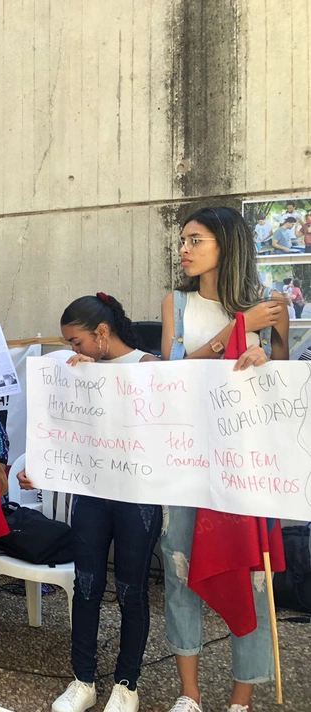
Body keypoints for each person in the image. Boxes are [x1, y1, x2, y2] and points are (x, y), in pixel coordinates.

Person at [160, 207, 289, 712]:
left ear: (226, 244)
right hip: (186, 460)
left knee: (254, 574)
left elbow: (283, 385)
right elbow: (170, 377)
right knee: (179, 569)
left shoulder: (270, 307)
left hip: (246, 465)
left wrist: (263, 353)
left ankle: (243, 698)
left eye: (195, 239)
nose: (184, 249)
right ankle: (188, 694)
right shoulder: (177, 303)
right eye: (183, 240)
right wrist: (235, 332)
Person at [16, 293, 161, 712]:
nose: (73, 351)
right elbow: (60, 432)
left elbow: (164, 437)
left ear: (102, 333)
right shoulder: (76, 373)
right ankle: (83, 679)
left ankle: (126, 684)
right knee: (87, 586)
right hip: (92, 496)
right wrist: (42, 468)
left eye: (76, 342)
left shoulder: (150, 368)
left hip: (138, 498)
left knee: (132, 590)